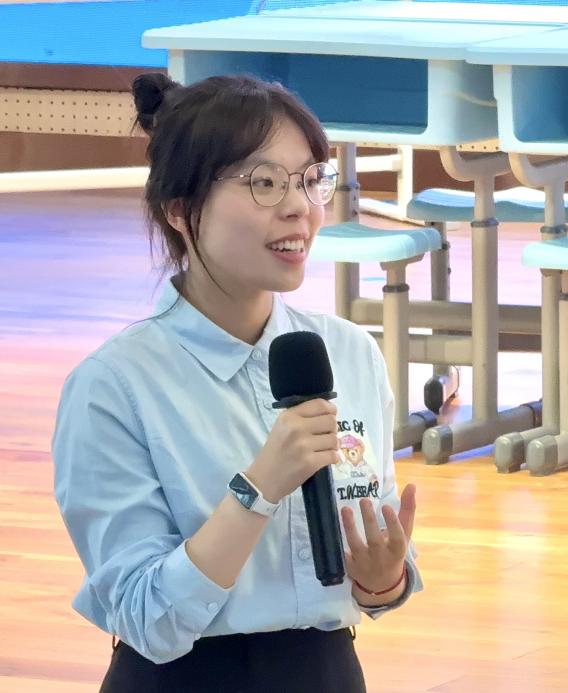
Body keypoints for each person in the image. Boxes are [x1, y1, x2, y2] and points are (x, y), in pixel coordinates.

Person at [52, 72, 421, 692]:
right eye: (265, 183)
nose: (300, 207)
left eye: (310, 180)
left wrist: (384, 579)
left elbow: (374, 575)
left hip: (328, 671)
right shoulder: (113, 386)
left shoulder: (348, 352)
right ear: (180, 210)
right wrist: (260, 486)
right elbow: (146, 618)